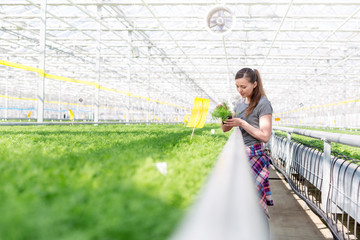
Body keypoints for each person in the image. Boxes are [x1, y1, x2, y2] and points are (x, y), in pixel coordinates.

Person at [221, 67, 274, 218]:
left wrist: (242, 123)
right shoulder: (239, 104)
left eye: (243, 86)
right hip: (240, 155)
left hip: (254, 156)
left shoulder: (263, 104)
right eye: (237, 86)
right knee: (242, 203)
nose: (240, 90)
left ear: (255, 84)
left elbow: (265, 136)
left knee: (255, 205)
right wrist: (223, 115)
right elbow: (225, 128)